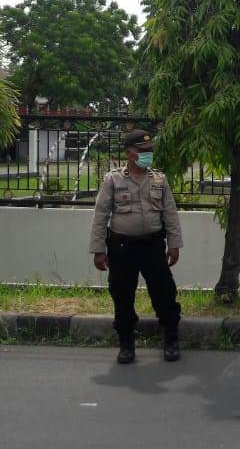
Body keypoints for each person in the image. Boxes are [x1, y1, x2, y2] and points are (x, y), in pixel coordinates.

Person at [89, 129, 184, 364]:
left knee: (164, 293)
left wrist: (174, 245)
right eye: (142, 151)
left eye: (149, 150)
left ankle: (171, 340)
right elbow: (100, 216)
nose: (147, 154)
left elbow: (170, 214)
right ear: (129, 153)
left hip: (153, 245)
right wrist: (99, 250)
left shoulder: (159, 180)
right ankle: (126, 344)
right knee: (122, 295)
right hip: (122, 247)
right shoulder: (113, 180)